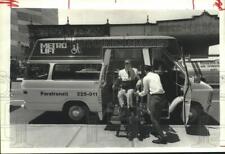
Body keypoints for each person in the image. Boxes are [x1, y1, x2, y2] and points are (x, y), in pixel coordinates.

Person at [136, 65, 168, 144]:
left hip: (155, 98)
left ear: (145, 71)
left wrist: (138, 94)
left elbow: (145, 92)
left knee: (153, 119)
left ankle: (162, 138)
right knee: (158, 117)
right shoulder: (156, 75)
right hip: (163, 97)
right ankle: (157, 131)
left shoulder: (145, 78)